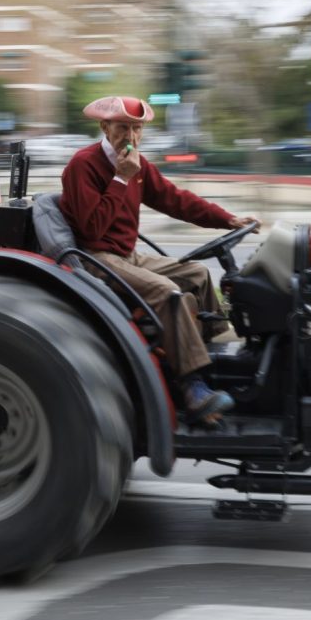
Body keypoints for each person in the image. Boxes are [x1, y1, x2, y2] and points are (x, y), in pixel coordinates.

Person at [59, 95, 259, 428]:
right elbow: (91, 229)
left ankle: (211, 350)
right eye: (124, 128)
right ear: (104, 127)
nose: (132, 137)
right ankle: (192, 386)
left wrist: (228, 219)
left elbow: (175, 200)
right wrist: (121, 179)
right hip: (94, 256)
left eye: (137, 129)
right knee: (168, 293)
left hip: (125, 254)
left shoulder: (137, 163)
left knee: (196, 273)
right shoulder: (84, 165)